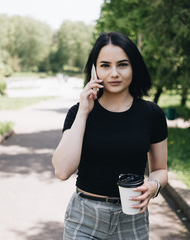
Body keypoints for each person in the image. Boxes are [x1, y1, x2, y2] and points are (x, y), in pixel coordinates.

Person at [52, 32, 168, 240]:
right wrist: (84, 111)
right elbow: (62, 170)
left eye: (122, 64)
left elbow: (160, 169)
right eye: (105, 65)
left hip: (132, 218)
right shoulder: (78, 113)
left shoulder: (152, 114)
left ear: (134, 67)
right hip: (84, 219)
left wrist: (153, 186)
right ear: (95, 70)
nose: (114, 73)